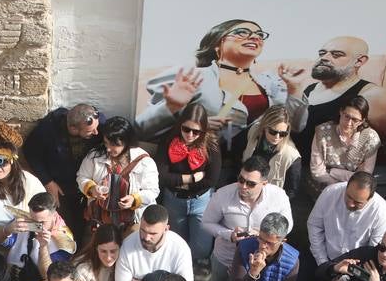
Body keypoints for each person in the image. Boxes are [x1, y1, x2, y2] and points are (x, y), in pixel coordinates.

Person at [135, 18, 286, 144]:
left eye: (259, 34)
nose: (254, 37)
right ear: (217, 43)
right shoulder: (192, 77)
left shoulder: (269, 83)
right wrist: (173, 109)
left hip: (250, 173)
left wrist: (296, 89)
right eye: (242, 32)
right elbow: (140, 130)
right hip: (201, 168)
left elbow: (294, 125)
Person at [201, 156, 292, 281]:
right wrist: (228, 234)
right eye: (241, 180)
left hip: (259, 261)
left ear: (264, 183)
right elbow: (206, 223)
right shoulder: (223, 194)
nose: (243, 186)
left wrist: (263, 235)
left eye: (250, 184)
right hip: (226, 257)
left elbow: (287, 226)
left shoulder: (278, 196)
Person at [156, 104, 221, 263]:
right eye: (186, 129)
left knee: (201, 248)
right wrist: (191, 178)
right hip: (174, 200)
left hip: (200, 201)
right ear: (180, 126)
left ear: (203, 130)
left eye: (196, 131)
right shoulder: (169, 140)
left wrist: (183, 184)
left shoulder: (210, 145)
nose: (190, 135)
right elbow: (162, 176)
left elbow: (211, 180)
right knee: (176, 245)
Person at [23, 102, 102, 230]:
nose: (96, 132)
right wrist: (48, 182)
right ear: (73, 128)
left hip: (88, 184)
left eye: (96, 127)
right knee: (65, 226)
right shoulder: (48, 129)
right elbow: (31, 153)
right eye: (90, 131)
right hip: (61, 187)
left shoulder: (96, 121)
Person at [306, 173, 386, 281]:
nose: (351, 204)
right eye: (348, 197)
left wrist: (348, 275)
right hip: (320, 256)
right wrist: (323, 263)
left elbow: (373, 251)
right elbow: (315, 225)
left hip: (355, 272)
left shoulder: (382, 214)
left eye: (358, 203)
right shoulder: (330, 193)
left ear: (370, 198)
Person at [77, 116, 159, 231]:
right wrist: (92, 189)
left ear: (126, 142)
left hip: (132, 221)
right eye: (106, 143)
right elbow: (82, 177)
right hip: (100, 220)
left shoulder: (144, 162)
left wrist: (134, 199)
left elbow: (152, 191)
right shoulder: (94, 157)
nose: (109, 149)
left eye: (114, 145)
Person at [115, 204, 195, 281]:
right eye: (143, 231)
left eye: (153, 234)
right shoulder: (127, 246)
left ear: (166, 229)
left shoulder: (180, 247)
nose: (146, 237)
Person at [307, 96, 380, 195]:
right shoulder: (322, 132)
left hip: (354, 192)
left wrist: (334, 172)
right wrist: (339, 188)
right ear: (341, 112)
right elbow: (317, 171)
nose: (349, 123)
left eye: (355, 120)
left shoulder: (371, 138)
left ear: (362, 121)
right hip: (325, 189)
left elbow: (364, 176)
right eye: (347, 116)